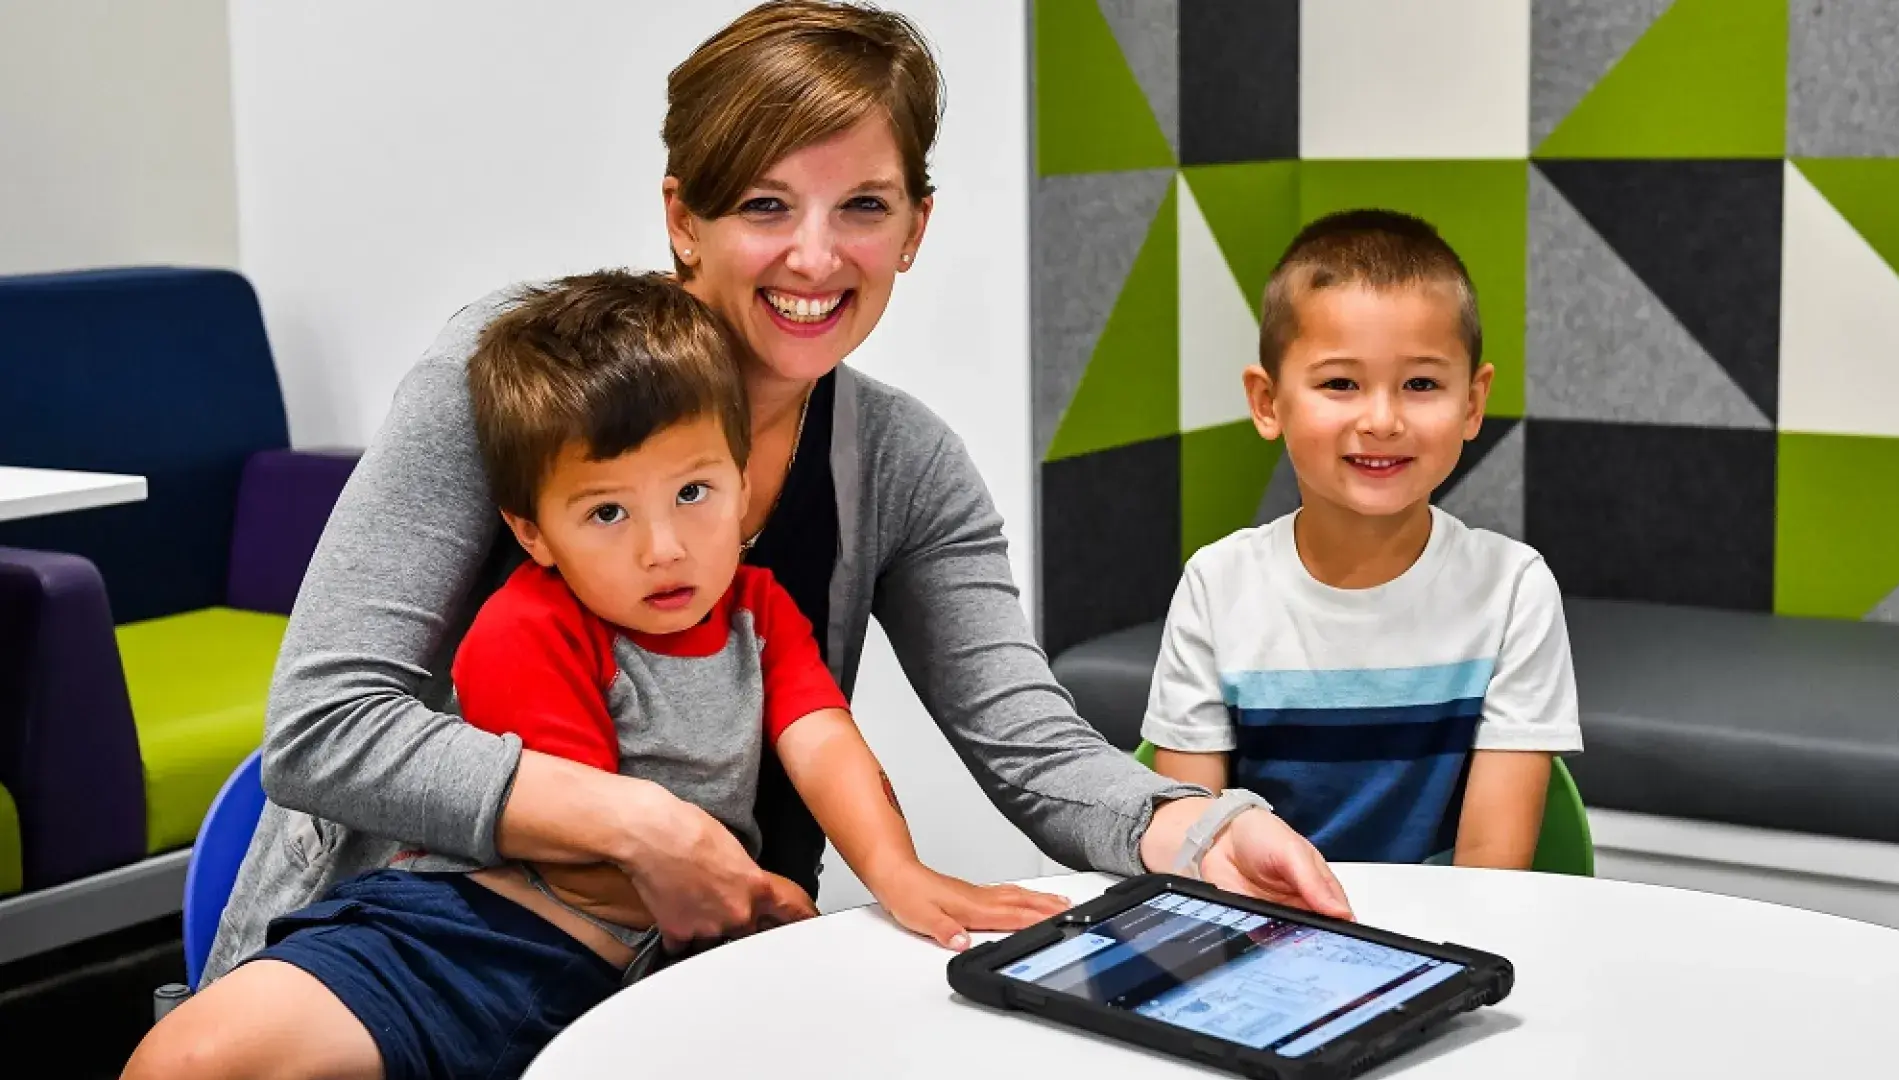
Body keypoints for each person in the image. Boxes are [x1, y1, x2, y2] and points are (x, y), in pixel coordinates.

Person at [193, 0, 1346, 1018]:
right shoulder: (512, 375)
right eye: (762, 203)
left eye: (863, 206)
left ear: (914, 230)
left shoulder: (903, 463)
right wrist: (640, 826)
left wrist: (1199, 828)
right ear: (681, 217)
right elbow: (324, 725)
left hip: (716, 972)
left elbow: (1032, 749)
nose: (814, 254)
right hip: (422, 942)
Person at [126, 271, 1070, 1079]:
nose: (665, 550)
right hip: (478, 935)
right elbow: (589, 854)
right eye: (608, 514)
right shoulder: (527, 625)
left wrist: (895, 871)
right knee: (192, 1060)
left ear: (743, 483)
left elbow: (820, 733)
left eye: (694, 493)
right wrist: (759, 897)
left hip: (672, 947)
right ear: (534, 533)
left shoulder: (759, 606)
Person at [1144, 209, 1583, 868]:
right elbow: (1192, 853)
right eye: (1341, 383)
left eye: (1421, 384)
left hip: (1449, 943)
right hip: (1265, 939)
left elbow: (1493, 872)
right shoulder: (1218, 587)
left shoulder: (1512, 592)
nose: (1382, 420)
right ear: (1267, 402)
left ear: (1472, 401)